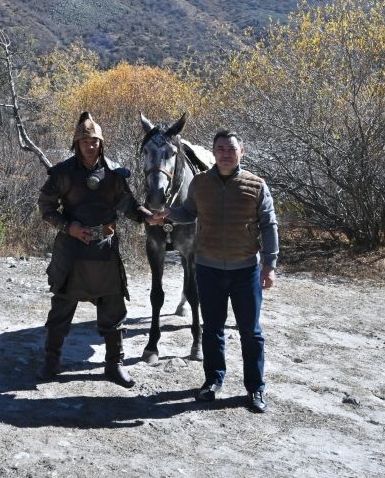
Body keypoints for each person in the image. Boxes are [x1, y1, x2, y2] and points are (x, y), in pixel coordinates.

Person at [149, 129, 278, 413]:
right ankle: (212, 381)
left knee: (251, 332)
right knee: (212, 330)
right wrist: (168, 214)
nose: (225, 153)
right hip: (208, 269)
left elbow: (269, 225)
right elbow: (189, 212)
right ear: (214, 151)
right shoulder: (200, 183)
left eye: (231, 149)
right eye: (220, 148)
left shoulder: (256, 185)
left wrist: (269, 264)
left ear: (241, 152)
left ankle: (255, 388)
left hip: (245, 270)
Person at [36, 112, 147, 388]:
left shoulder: (114, 174)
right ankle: (51, 362)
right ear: (76, 143)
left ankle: (114, 365)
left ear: (101, 143)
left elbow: (128, 206)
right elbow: (46, 208)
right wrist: (67, 226)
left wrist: (148, 216)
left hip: (104, 249)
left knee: (113, 308)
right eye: (85, 141)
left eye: (95, 141)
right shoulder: (62, 173)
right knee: (61, 309)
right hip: (72, 250)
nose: (90, 145)